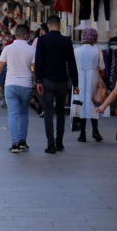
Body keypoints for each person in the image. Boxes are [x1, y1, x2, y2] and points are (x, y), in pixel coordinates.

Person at [34, 15, 79, 154]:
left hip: (47, 80)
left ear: (48, 25)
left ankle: (51, 144)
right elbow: (71, 63)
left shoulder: (42, 40)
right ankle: (59, 142)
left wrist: (38, 80)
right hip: (62, 81)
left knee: (48, 112)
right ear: (60, 25)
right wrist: (75, 83)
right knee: (60, 111)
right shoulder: (66, 41)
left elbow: (39, 61)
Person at [0, 24, 36, 153]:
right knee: (23, 113)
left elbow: (0, 67)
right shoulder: (32, 50)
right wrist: (36, 82)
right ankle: (23, 141)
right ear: (27, 35)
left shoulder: (7, 48)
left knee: (12, 114)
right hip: (26, 84)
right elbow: (35, 69)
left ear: (15, 35)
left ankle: (15, 143)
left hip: (10, 85)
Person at [73, 27, 106, 143]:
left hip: (79, 80)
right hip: (93, 80)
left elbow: (73, 66)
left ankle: (82, 133)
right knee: (94, 104)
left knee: (81, 105)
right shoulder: (98, 51)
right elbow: (102, 67)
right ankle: (95, 130)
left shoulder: (76, 51)